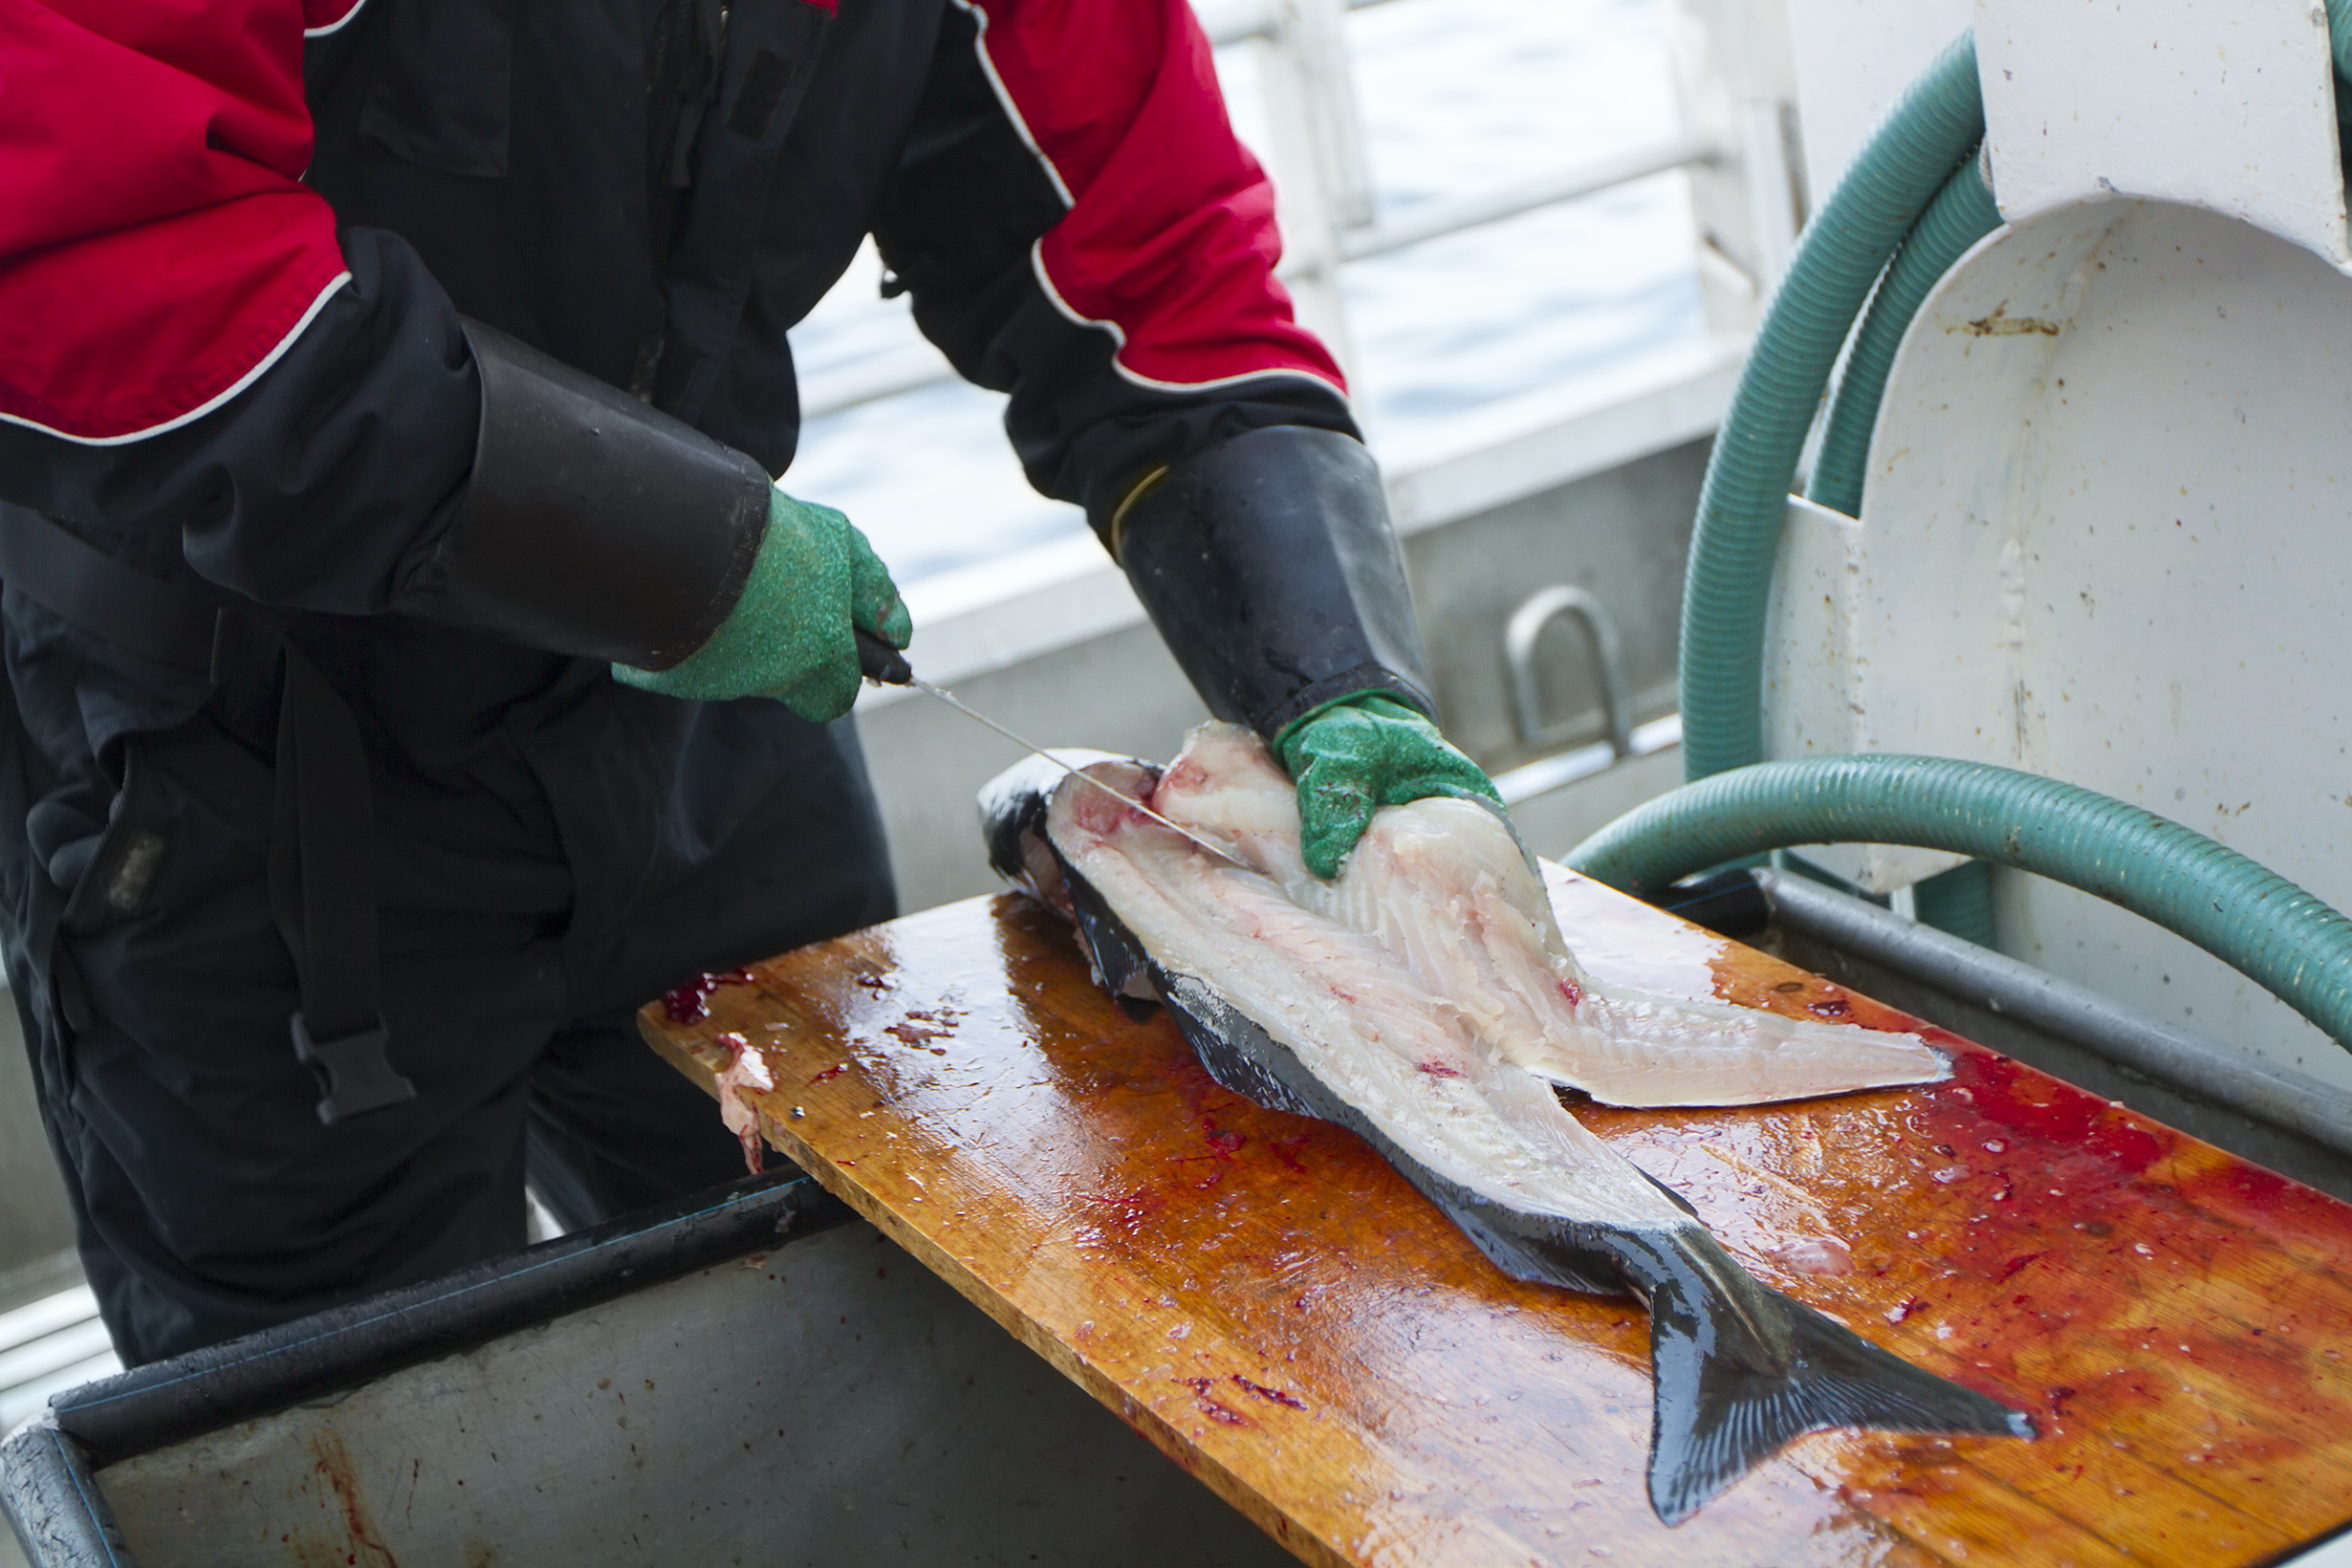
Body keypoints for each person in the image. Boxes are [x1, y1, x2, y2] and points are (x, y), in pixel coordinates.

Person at [0, 0, 1499, 1365]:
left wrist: (1332, 677)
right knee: (354, 1427)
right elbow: (103, 252)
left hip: (702, 694)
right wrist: (668, 557)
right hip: (244, 774)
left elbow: (1157, 266)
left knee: (874, 1316)